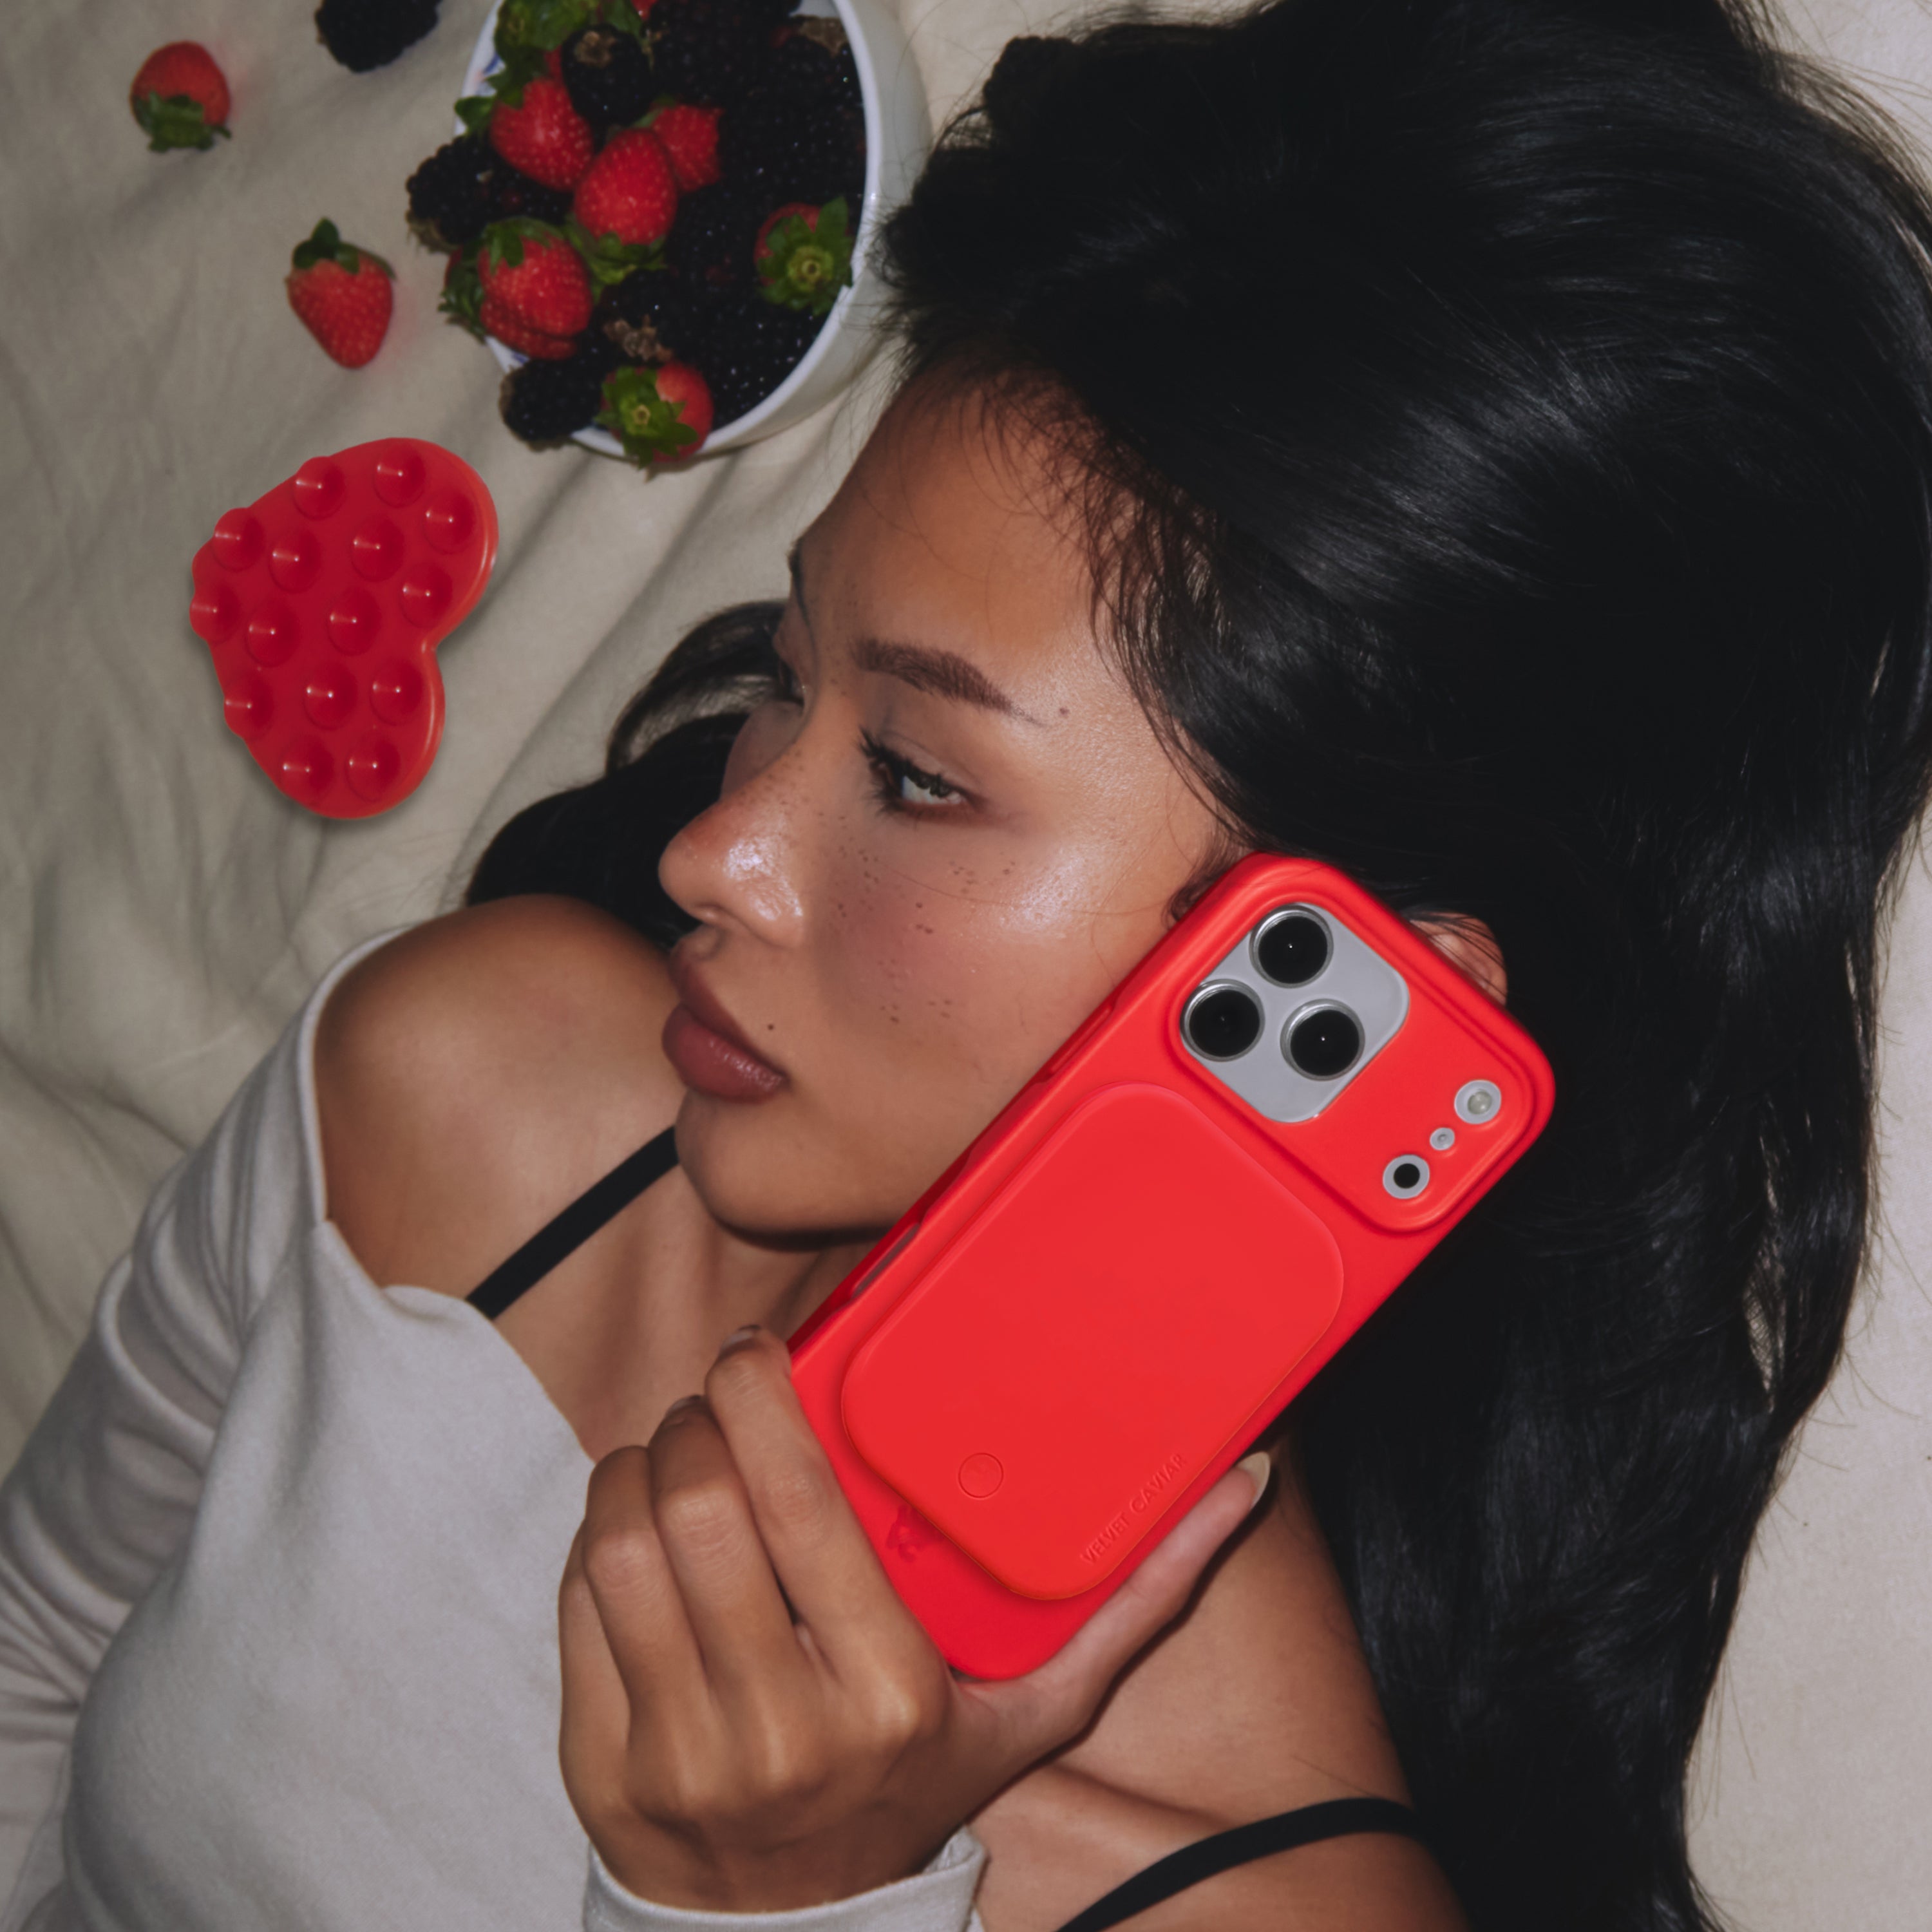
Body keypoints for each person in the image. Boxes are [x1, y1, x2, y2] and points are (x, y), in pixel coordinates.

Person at [6, 0, 1932, 1926]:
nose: (710, 850)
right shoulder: (469, 1082)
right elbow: (32, 1662)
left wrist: (772, 1899)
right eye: (789, 675)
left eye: (921, 778)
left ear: (1368, 1006)